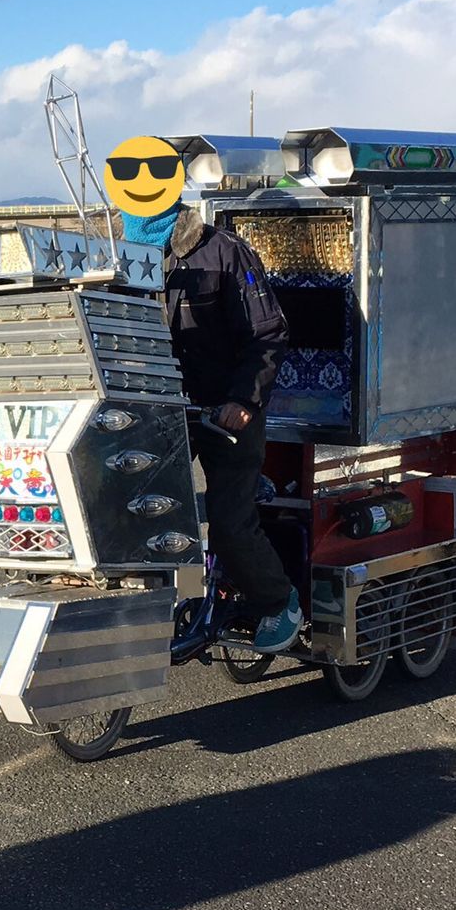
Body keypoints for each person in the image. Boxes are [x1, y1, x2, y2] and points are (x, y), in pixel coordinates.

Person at [120, 201, 301, 653]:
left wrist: (243, 400)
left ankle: (279, 601)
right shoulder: (118, 253)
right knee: (133, 513)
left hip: (224, 411)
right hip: (159, 412)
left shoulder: (224, 250)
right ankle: (142, 612)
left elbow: (268, 332)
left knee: (228, 525)